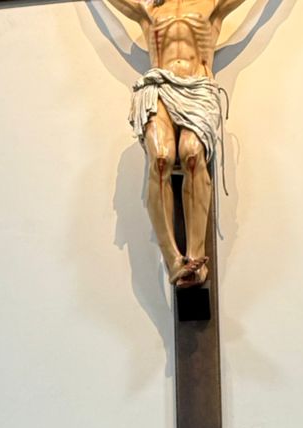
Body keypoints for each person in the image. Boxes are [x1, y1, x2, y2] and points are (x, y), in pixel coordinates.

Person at [106, 0, 253, 286]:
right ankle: (173, 259)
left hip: (197, 87)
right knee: (160, 158)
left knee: (192, 154)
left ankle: (196, 254)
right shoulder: (151, 10)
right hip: (159, 86)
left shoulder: (211, 4)